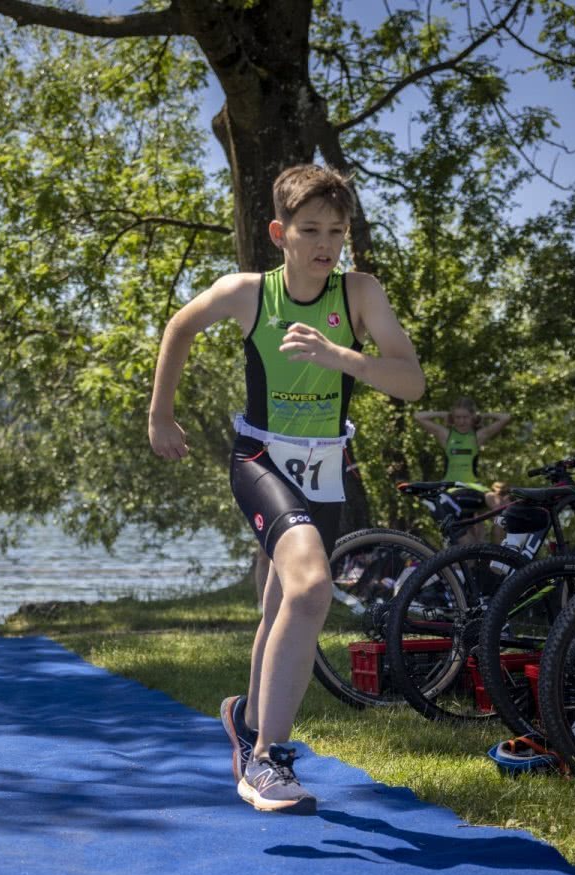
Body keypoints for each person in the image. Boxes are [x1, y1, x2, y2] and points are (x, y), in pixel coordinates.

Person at [149, 164, 424, 814]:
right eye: (310, 230)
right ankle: (268, 758)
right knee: (309, 589)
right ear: (280, 232)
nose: (326, 243)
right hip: (262, 456)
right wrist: (161, 413)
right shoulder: (249, 292)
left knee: (282, 607)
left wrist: (344, 357)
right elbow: (180, 327)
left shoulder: (360, 293)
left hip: (324, 466)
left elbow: (412, 382)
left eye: (337, 230)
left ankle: (245, 719)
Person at [410, 398, 511, 542]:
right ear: (453, 418)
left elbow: (506, 418)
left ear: (472, 418)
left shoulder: (477, 437)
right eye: (457, 417)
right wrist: (443, 414)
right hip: (451, 488)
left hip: (475, 486)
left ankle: (498, 553)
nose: (461, 421)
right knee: (467, 538)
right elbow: (418, 416)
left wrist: (483, 416)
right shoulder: (446, 436)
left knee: (500, 506)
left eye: (465, 417)